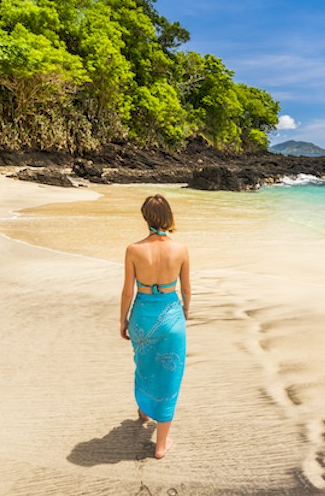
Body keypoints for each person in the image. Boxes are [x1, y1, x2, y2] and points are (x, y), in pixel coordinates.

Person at [120, 194, 190, 459]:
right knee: (169, 377)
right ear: (168, 216)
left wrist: (122, 320)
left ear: (145, 218)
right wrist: (184, 313)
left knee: (144, 363)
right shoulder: (181, 248)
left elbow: (128, 292)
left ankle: (144, 411)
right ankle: (160, 445)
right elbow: (186, 288)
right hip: (171, 316)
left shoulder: (133, 249)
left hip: (142, 316)